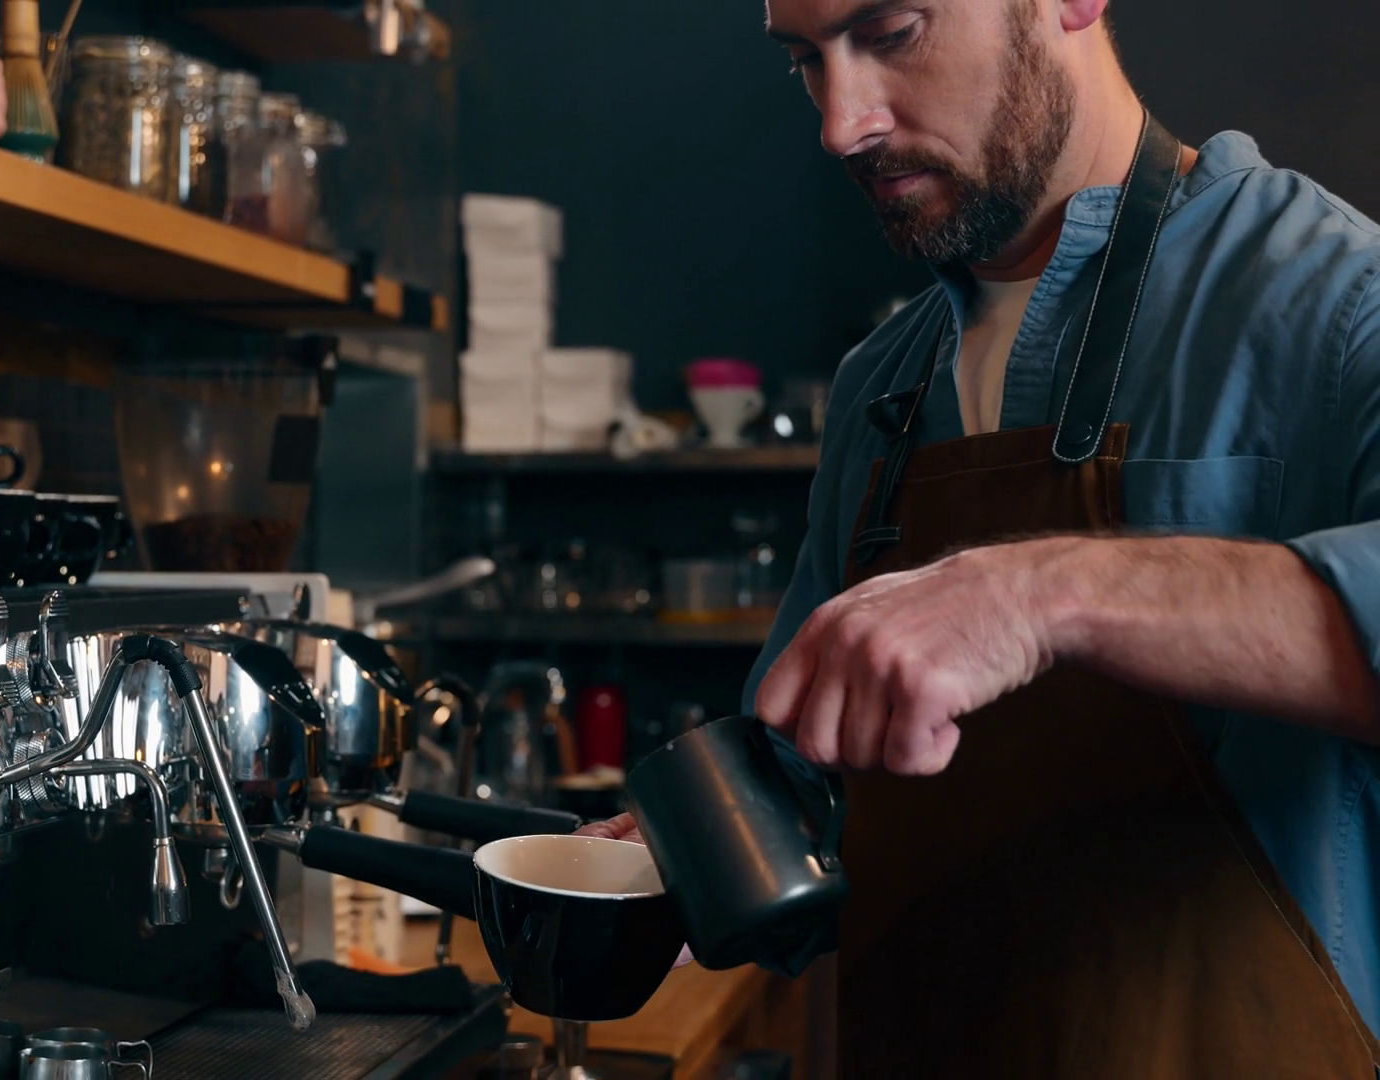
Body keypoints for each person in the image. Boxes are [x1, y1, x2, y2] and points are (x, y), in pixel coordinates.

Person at [579, 0, 1380, 1074]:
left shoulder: (1338, 301)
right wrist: (704, 853)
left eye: (892, 33)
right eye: (807, 61)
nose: (842, 125)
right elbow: (821, 788)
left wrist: (1039, 596)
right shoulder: (882, 386)